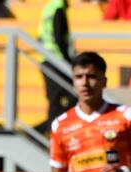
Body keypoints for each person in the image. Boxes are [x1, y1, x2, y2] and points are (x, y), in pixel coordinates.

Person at [38, 0, 77, 131]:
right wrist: (67, 62)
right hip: (55, 60)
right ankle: (50, 130)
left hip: (46, 58)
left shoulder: (49, 7)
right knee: (75, 94)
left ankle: (51, 129)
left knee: (55, 99)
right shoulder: (58, 9)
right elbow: (59, 38)